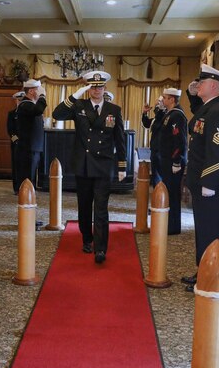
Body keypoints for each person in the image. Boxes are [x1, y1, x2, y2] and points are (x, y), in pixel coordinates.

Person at [52, 71, 126, 264]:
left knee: (101, 208)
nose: (96, 90)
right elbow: (57, 114)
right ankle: (87, 239)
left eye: (99, 86)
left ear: (105, 88)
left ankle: (100, 249)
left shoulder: (114, 109)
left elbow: (120, 139)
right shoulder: (79, 106)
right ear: (89, 89)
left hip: (103, 165)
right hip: (83, 165)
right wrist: (76, 94)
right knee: (84, 206)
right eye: (92, 87)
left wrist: (122, 166)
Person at [183, 64, 219, 292]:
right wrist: (191, 95)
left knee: (210, 231)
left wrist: (209, 182)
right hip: (199, 180)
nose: (198, 85)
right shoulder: (208, 108)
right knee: (202, 229)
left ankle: (212, 275)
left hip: (209, 184)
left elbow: (217, 151)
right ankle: (203, 269)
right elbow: (197, 120)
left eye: (201, 83)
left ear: (213, 86)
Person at [156, 88, 188, 235]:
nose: (163, 99)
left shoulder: (177, 116)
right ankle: (170, 225)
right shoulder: (170, 114)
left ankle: (173, 227)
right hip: (167, 160)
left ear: (172, 100)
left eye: (165, 97)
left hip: (173, 161)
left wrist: (176, 161)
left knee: (173, 194)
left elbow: (179, 140)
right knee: (170, 192)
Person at [15, 79, 47, 190]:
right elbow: (38, 110)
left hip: (34, 147)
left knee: (32, 175)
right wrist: (42, 96)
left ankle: (29, 196)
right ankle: (26, 198)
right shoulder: (25, 105)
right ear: (32, 91)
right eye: (38, 90)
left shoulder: (30, 105)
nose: (40, 92)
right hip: (28, 147)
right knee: (27, 176)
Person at [141, 95, 166, 186]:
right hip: (154, 150)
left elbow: (160, 117)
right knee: (156, 176)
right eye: (156, 105)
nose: (156, 107)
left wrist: (160, 108)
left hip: (163, 151)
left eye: (158, 104)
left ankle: (162, 197)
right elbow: (146, 124)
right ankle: (157, 196)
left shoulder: (166, 116)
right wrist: (144, 113)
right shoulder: (156, 119)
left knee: (161, 177)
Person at [7, 90, 25, 194]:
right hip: (16, 144)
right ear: (16, 101)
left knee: (25, 166)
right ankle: (16, 188)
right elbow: (10, 130)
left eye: (22, 100)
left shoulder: (28, 111)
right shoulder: (12, 114)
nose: (20, 102)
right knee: (16, 165)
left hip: (27, 143)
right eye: (18, 100)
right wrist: (16, 140)